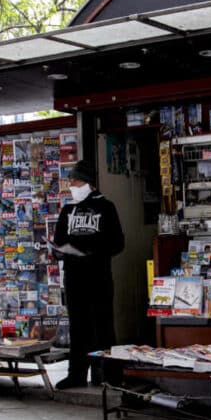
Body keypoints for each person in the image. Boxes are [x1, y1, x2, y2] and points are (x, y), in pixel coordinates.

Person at [51, 159, 125, 389]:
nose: (71, 185)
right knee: (78, 326)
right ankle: (76, 374)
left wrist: (92, 251)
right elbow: (59, 242)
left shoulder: (106, 207)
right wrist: (60, 252)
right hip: (74, 277)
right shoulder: (67, 210)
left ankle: (107, 374)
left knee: (103, 325)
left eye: (75, 180)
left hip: (98, 276)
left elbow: (118, 243)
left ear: (88, 183)